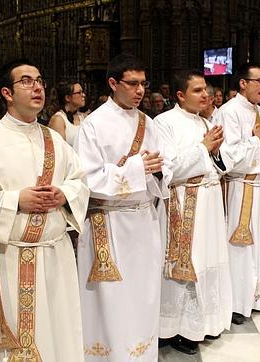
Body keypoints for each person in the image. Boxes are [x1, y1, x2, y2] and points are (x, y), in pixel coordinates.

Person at [0, 59, 89, 361]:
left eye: (40, 80)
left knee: (60, 330)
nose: (37, 86)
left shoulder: (55, 139)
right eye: (26, 81)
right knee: (16, 340)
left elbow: (80, 182)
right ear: (6, 93)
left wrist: (63, 194)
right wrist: (16, 201)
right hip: (8, 256)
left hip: (56, 254)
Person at [74, 53, 171, 361]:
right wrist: (135, 168)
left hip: (143, 219)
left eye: (143, 83)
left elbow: (160, 166)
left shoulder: (148, 123)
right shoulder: (93, 124)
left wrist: (156, 170)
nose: (140, 90)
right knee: (112, 299)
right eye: (132, 84)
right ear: (113, 83)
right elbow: (86, 179)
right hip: (108, 222)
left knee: (143, 293)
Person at [154, 69, 232, 355]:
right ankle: (175, 328)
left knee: (209, 259)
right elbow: (168, 170)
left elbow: (216, 162)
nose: (206, 95)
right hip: (185, 202)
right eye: (198, 90)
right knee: (185, 264)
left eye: (206, 90)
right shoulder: (164, 123)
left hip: (208, 202)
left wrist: (214, 152)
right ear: (180, 95)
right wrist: (203, 148)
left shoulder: (204, 121)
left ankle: (205, 322)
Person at [212, 63, 260, 325]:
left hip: (259, 185)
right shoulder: (229, 112)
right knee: (238, 247)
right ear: (242, 83)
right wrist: (256, 139)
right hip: (238, 187)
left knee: (258, 243)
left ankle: (257, 297)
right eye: (259, 81)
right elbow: (226, 158)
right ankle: (237, 303)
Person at [48, 81, 87, 146]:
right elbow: (60, 150)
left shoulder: (84, 117)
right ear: (68, 98)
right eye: (79, 92)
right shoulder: (58, 120)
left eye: (82, 92)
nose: (83, 95)